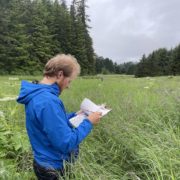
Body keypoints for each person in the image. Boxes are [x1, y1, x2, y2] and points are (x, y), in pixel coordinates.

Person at [17, 54, 102, 179]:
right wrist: (88, 122)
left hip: (42, 162)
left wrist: (75, 115)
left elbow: (49, 124)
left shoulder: (37, 95)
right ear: (60, 75)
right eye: (69, 80)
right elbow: (65, 143)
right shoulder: (48, 101)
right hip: (53, 167)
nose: (68, 86)